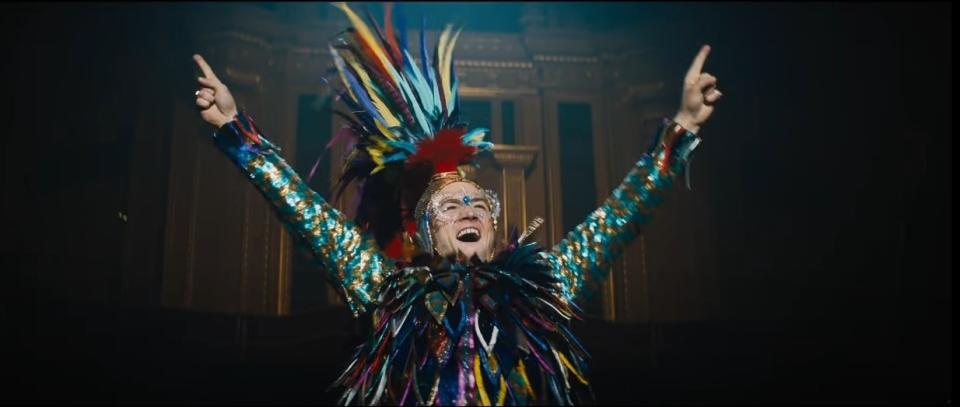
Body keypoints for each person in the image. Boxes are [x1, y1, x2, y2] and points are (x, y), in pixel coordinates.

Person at [192, 3, 720, 404]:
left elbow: (618, 217)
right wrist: (237, 133)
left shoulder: (546, 285)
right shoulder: (384, 290)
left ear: (492, 222)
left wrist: (683, 128)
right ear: (426, 234)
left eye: (475, 202)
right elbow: (306, 215)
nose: (467, 209)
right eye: (449, 207)